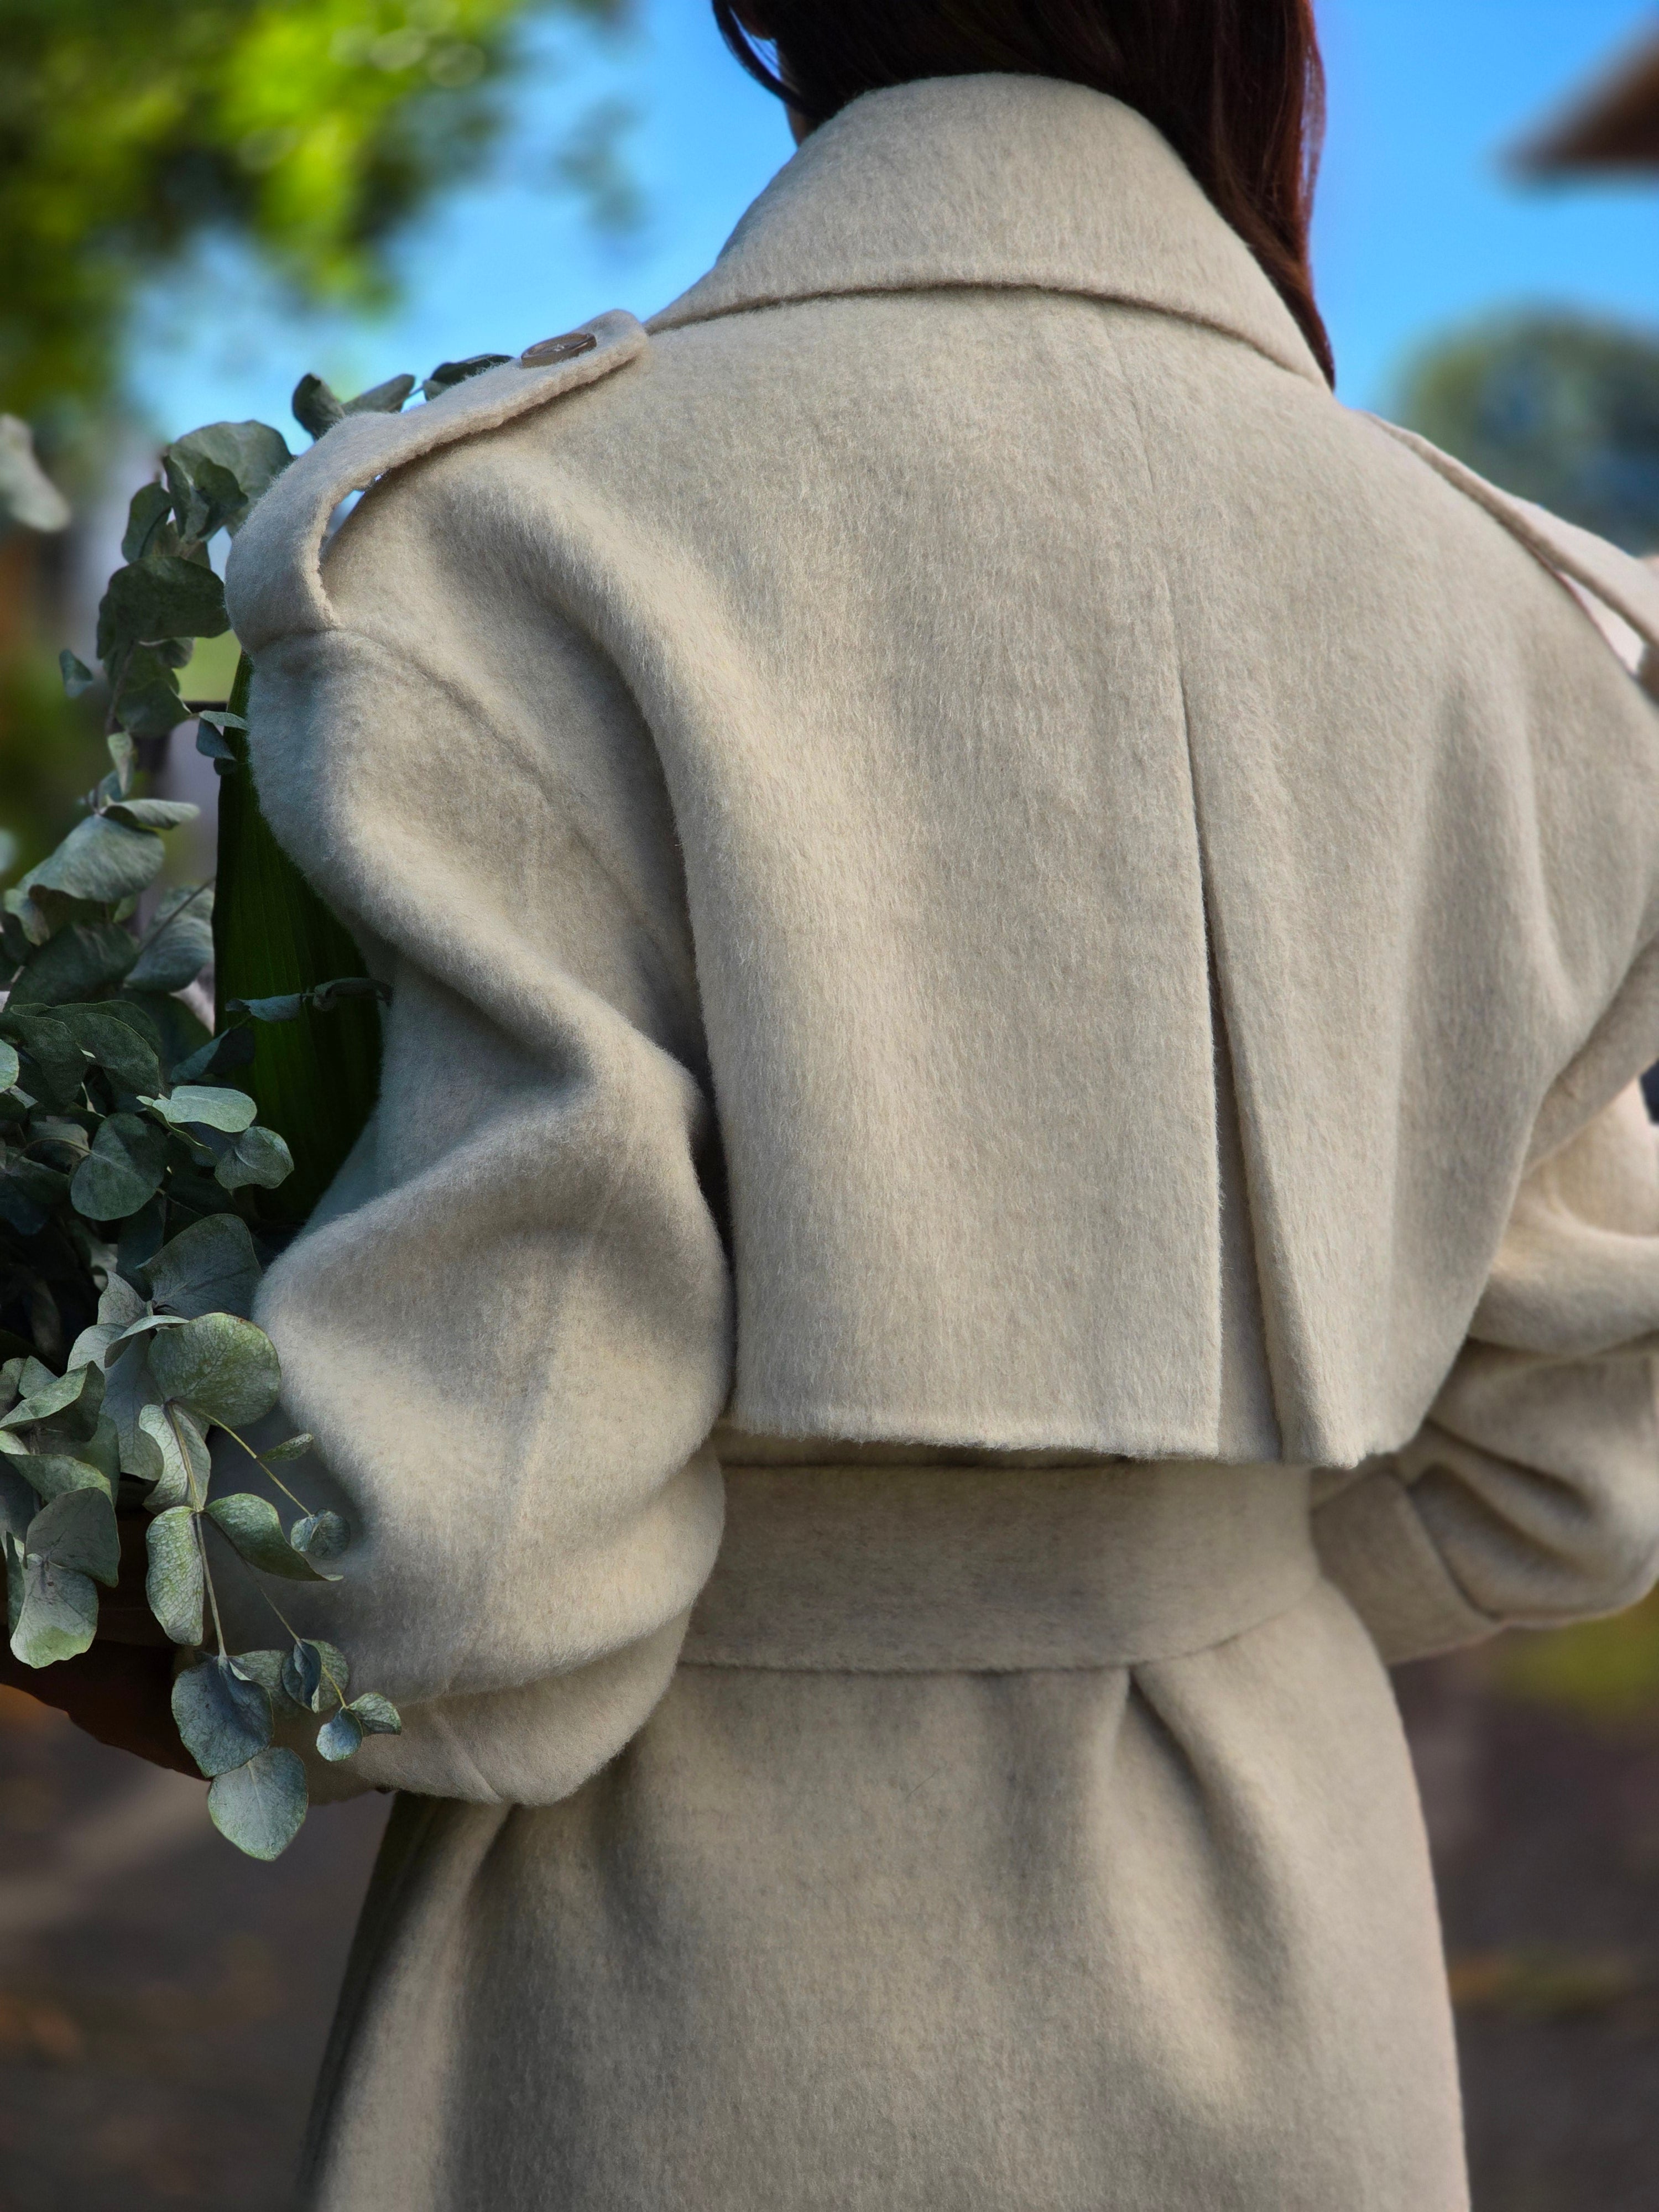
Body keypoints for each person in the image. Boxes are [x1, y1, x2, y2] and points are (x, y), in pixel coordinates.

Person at [19, 4, 1659, 2206]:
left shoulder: (489, 549)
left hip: (667, 2005)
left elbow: (470, 1581)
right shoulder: (1540, 624)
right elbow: (1562, 1472)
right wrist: (1169, 1562)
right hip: (1291, 1971)